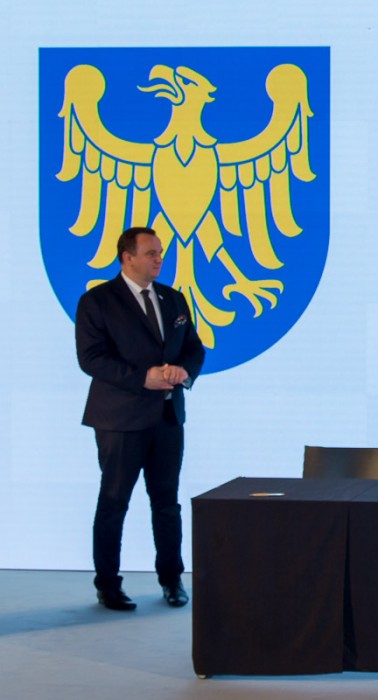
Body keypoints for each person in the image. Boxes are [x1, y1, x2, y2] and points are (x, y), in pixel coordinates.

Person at [75, 226, 205, 610]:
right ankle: (108, 585)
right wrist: (142, 378)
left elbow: (194, 348)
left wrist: (184, 371)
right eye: (151, 253)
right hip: (120, 420)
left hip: (167, 417)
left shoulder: (173, 298)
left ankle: (172, 579)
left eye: (160, 252)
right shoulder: (97, 301)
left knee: (167, 503)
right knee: (114, 502)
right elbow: (91, 358)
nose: (159, 259)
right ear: (127, 257)